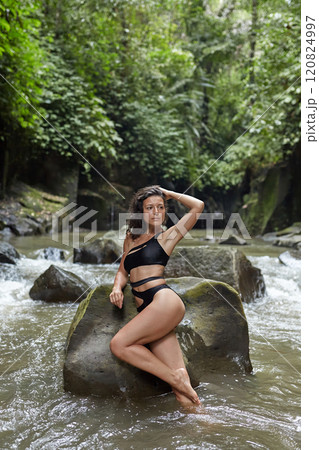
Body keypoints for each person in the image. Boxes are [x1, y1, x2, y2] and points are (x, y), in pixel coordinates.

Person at [109, 185, 204, 406]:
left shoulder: (168, 236)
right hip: (149, 311)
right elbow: (123, 270)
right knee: (181, 390)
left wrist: (170, 193)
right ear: (140, 212)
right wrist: (116, 287)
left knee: (119, 345)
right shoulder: (131, 239)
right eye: (149, 207)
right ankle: (201, 422)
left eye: (160, 207)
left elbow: (198, 206)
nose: (155, 212)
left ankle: (175, 378)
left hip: (164, 301)